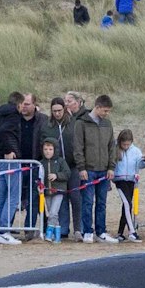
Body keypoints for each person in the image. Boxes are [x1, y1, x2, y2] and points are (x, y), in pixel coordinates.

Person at [67, 93, 117, 243]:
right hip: (88, 169)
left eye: (108, 111)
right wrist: (81, 167)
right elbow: (78, 147)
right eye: (105, 111)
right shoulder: (81, 123)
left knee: (102, 202)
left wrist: (111, 167)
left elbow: (111, 147)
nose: (107, 114)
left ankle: (101, 231)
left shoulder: (107, 124)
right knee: (87, 202)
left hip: (104, 170)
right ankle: (87, 231)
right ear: (97, 107)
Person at [0, 92, 27, 243]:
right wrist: (12, 150)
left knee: (0, 196)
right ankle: (3, 230)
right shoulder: (13, 115)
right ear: (18, 104)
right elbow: (5, 132)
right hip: (9, 160)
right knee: (13, 196)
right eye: (22, 105)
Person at [39, 138, 69, 241]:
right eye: (45, 149)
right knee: (51, 214)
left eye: (50, 149)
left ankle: (48, 232)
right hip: (46, 192)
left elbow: (67, 173)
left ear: (55, 150)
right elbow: (38, 178)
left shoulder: (61, 161)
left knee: (53, 213)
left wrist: (57, 175)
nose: (48, 151)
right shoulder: (41, 163)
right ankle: (57, 236)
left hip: (58, 191)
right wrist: (39, 186)